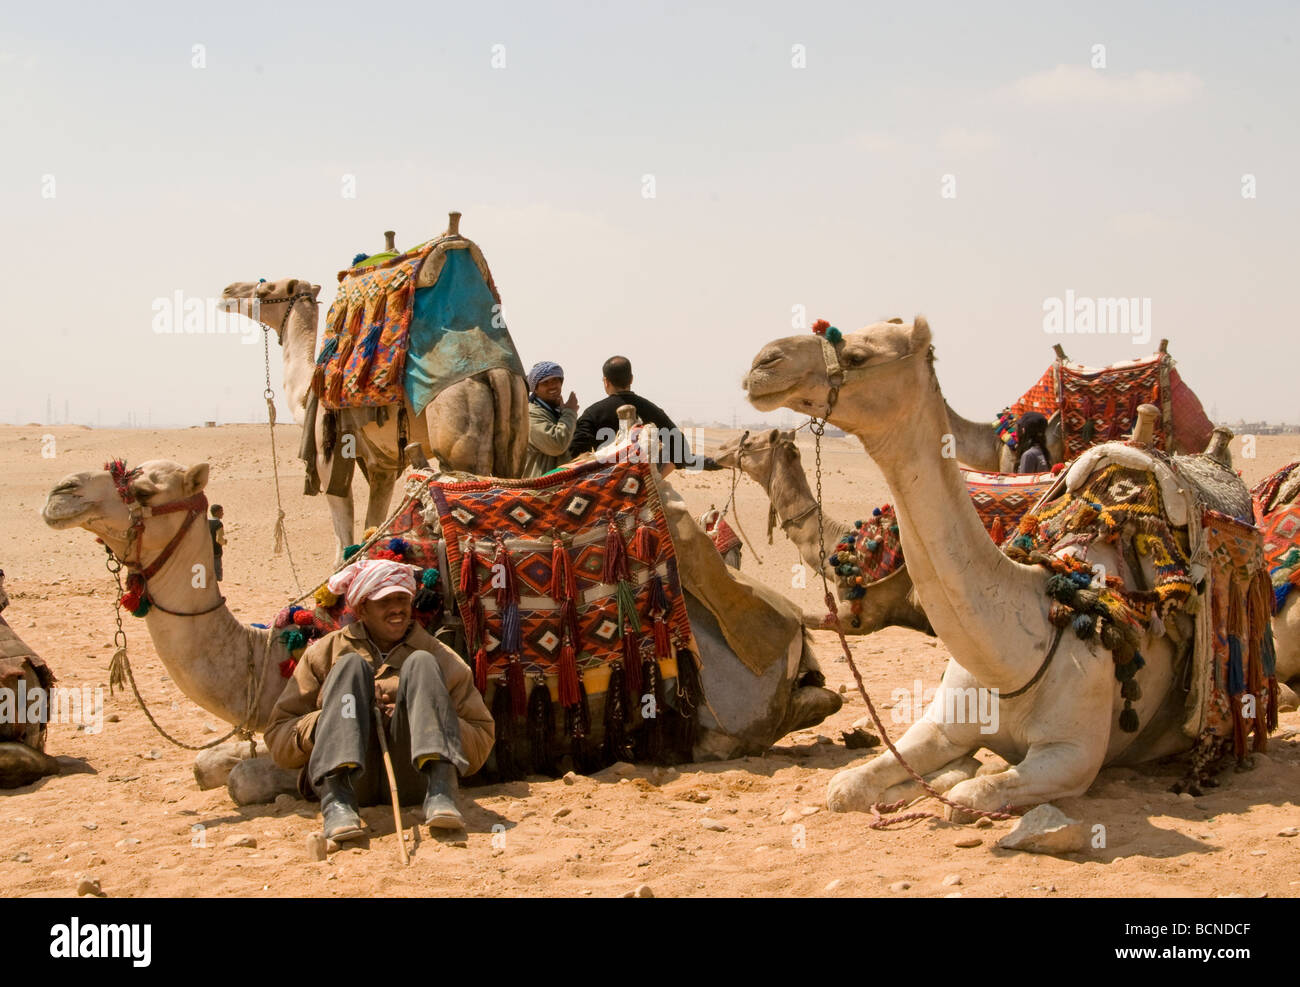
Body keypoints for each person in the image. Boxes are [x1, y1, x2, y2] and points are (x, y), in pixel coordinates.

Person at [264, 559, 494, 841]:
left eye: (402, 599)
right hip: (353, 780)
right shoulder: (325, 653)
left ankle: (441, 794)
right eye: (385, 601)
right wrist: (330, 720)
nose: (396, 608)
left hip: (414, 779)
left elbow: (482, 735)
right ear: (362, 609)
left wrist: (424, 713)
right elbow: (278, 736)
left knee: (420, 664)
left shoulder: (438, 655)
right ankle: (338, 805)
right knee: (350, 668)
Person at [569, 355, 720, 470]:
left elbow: (576, 455)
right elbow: (680, 449)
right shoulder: (652, 410)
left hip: (605, 491)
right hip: (644, 489)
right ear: (631, 379)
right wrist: (657, 478)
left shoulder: (592, 413)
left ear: (606, 382)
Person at [522, 361, 579, 477]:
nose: (552, 386)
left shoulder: (557, 411)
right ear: (535, 389)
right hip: (540, 489)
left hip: (560, 487)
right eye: (545, 383)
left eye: (555, 380)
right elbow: (557, 444)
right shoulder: (530, 414)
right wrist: (570, 412)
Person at [208, 505, 226, 582]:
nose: (223, 513)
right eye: (221, 511)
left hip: (206, 551)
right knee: (216, 576)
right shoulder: (218, 524)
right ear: (217, 512)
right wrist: (224, 542)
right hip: (216, 552)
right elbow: (219, 539)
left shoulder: (206, 522)